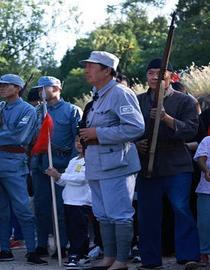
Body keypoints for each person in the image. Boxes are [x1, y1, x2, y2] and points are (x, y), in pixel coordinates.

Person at [78, 51, 145, 270]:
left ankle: (121, 261)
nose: (86, 69)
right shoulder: (98, 95)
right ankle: (109, 258)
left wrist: (98, 132)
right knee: (102, 215)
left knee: (119, 214)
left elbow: (135, 127)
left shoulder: (120, 93)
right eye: (86, 65)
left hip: (117, 163)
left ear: (107, 70)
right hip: (97, 162)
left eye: (91, 66)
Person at [135, 58, 200, 270]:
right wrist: (136, 144)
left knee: (181, 208)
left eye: (160, 73)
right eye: (150, 72)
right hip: (146, 164)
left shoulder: (185, 101)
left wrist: (166, 119)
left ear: (171, 76)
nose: (155, 77)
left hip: (176, 162)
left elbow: (191, 130)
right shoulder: (136, 101)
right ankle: (150, 260)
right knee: (147, 214)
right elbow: (126, 129)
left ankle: (189, 256)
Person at [0, 74, 47, 265]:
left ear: (18, 88)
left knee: (22, 209)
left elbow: (18, 137)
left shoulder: (27, 109)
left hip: (12, 163)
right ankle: (4, 249)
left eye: (6, 85)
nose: (1, 88)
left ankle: (32, 250)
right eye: (0, 85)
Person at [30, 76, 81, 258]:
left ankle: (62, 245)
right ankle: (41, 244)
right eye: (38, 89)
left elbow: (78, 139)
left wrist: (73, 166)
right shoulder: (37, 111)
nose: (40, 92)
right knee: (41, 208)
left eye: (44, 88)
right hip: (41, 163)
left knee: (61, 209)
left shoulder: (71, 110)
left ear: (57, 88)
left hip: (61, 163)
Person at [45, 135, 92, 270]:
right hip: (69, 201)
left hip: (81, 202)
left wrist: (60, 175)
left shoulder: (89, 159)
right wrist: (56, 177)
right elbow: (65, 182)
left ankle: (76, 254)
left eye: (82, 141)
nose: (78, 143)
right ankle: (83, 255)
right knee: (72, 230)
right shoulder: (73, 161)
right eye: (76, 140)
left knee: (79, 230)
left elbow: (82, 179)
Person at [193, 136, 210, 267]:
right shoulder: (208, 141)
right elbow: (201, 158)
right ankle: (203, 253)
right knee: (204, 224)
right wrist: (206, 170)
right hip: (207, 190)